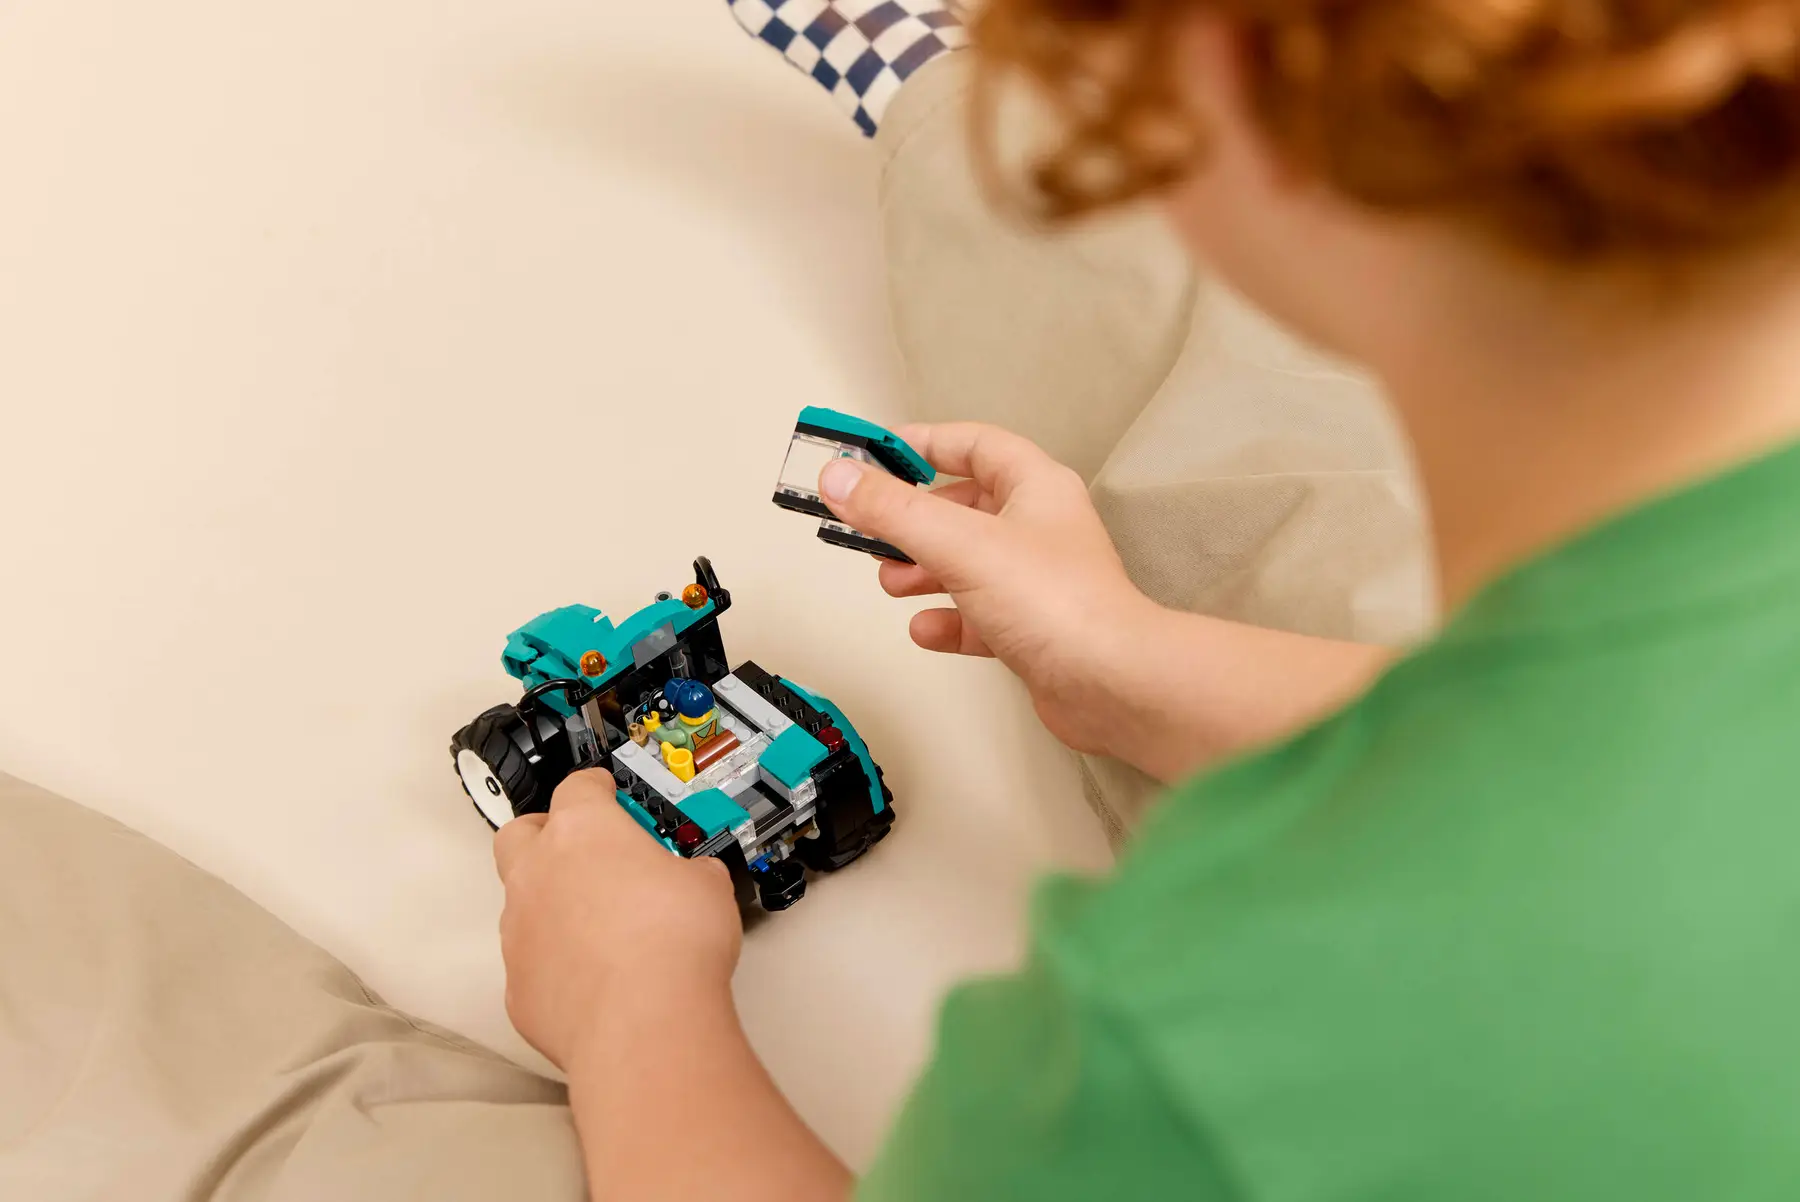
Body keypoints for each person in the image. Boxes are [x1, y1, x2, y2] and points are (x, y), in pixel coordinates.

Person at [9, 2, 1799, 1201]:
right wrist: (1143, 664)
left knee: (294, 1135)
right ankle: (963, 134)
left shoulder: (1188, 1045)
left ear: (1217, 101)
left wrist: (636, 1002)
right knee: (1299, 534)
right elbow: (1613, 750)